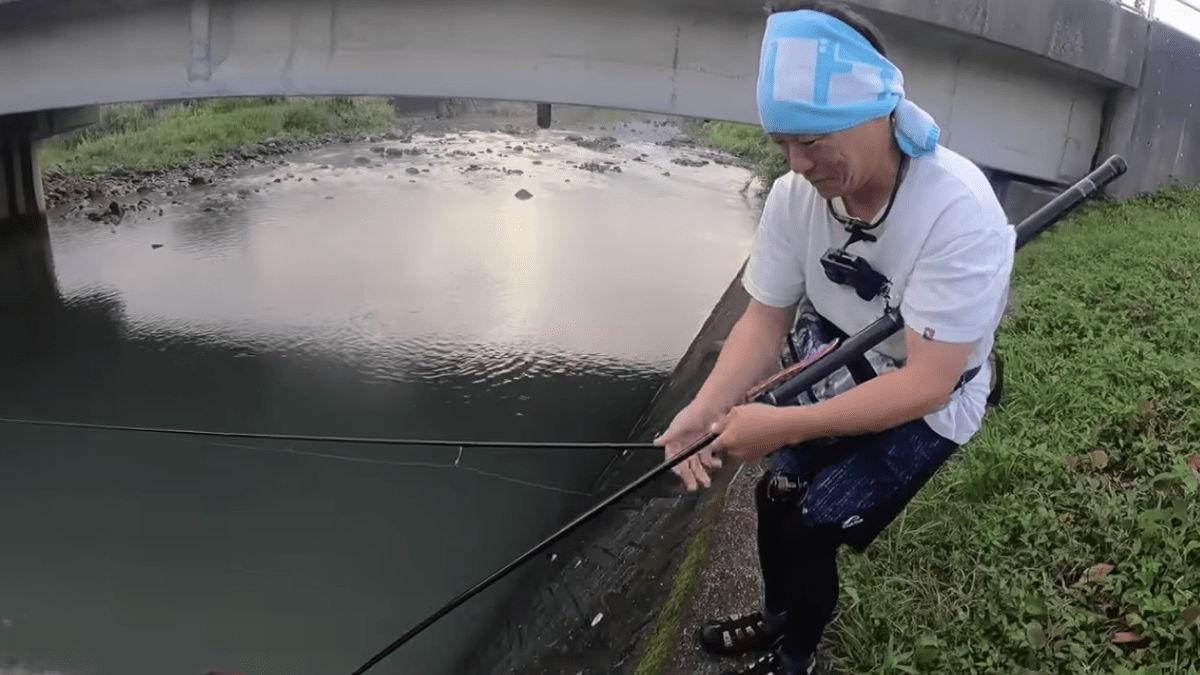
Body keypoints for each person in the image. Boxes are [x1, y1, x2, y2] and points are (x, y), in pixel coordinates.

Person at [652, 3, 1015, 675]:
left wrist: (780, 422)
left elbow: (928, 381)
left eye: (813, 140)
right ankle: (779, 613)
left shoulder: (958, 211)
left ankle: (797, 656)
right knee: (773, 497)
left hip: (926, 393)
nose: (797, 163)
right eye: (783, 142)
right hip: (839, 356)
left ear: (876, 108)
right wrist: (705, 408)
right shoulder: (795, 197)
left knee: (815, 520)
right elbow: (763, 320)